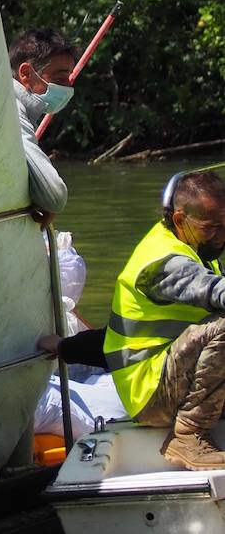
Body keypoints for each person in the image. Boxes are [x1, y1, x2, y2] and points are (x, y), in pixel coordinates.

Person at [104, 170, 225, 469]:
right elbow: (214, 291)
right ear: (181, 219)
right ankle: (188, 436)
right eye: (214, 227)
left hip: (176, 377)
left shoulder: (195, 246)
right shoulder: (163, 262)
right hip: (152, 394)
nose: (222, 235)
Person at [9, 29, 74, 216]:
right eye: (60, 77)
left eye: (69, 78)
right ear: (26, 73)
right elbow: (54, 196)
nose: (68, 86)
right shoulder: (10, 109)